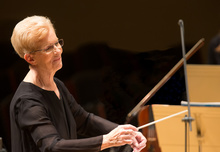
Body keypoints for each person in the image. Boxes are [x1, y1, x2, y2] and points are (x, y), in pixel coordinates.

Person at [9, 15, 146, 152]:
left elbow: (83, 121)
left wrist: (124, 132)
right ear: (30, 58)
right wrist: (107, 140)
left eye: (57, 43)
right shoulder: (27, 101)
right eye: (48, 48)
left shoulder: (56, 84)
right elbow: (52, 146)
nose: (58, 50)